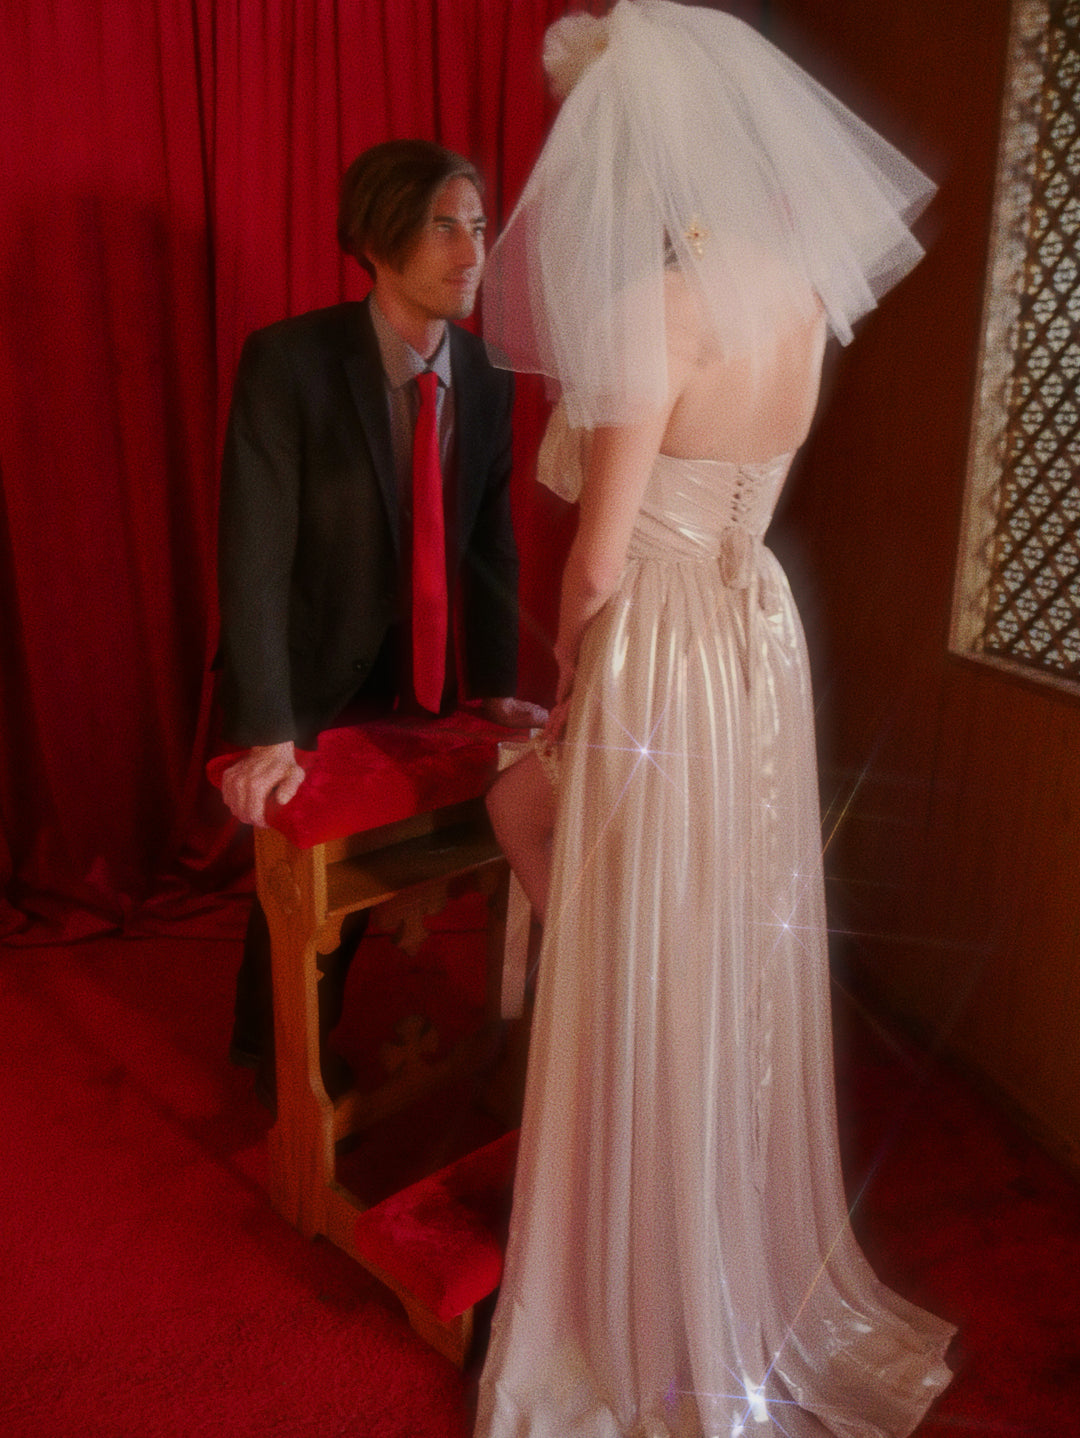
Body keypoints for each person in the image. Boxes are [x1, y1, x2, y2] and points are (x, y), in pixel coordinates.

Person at [475, 6, 955, 1437]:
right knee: (725, 930)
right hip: (758, 628)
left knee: (613, 901)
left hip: (667, 637)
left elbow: (600, 559)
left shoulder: (654, 306)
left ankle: (633, 1273)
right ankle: (724, 1245)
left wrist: (566, 686)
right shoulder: (804, 290)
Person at [217, 140, 544, 1097]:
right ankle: (270, 1049)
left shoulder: (486, 370)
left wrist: (492, 687)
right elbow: (255, 551)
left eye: (479, 225)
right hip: (316, 662)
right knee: (305, 873)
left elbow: (488, 542)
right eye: (444, 224)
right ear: (376, 236)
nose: (471, 249)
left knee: (407, 861)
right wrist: (267, 724)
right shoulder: (290, 361)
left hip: (433, 664)